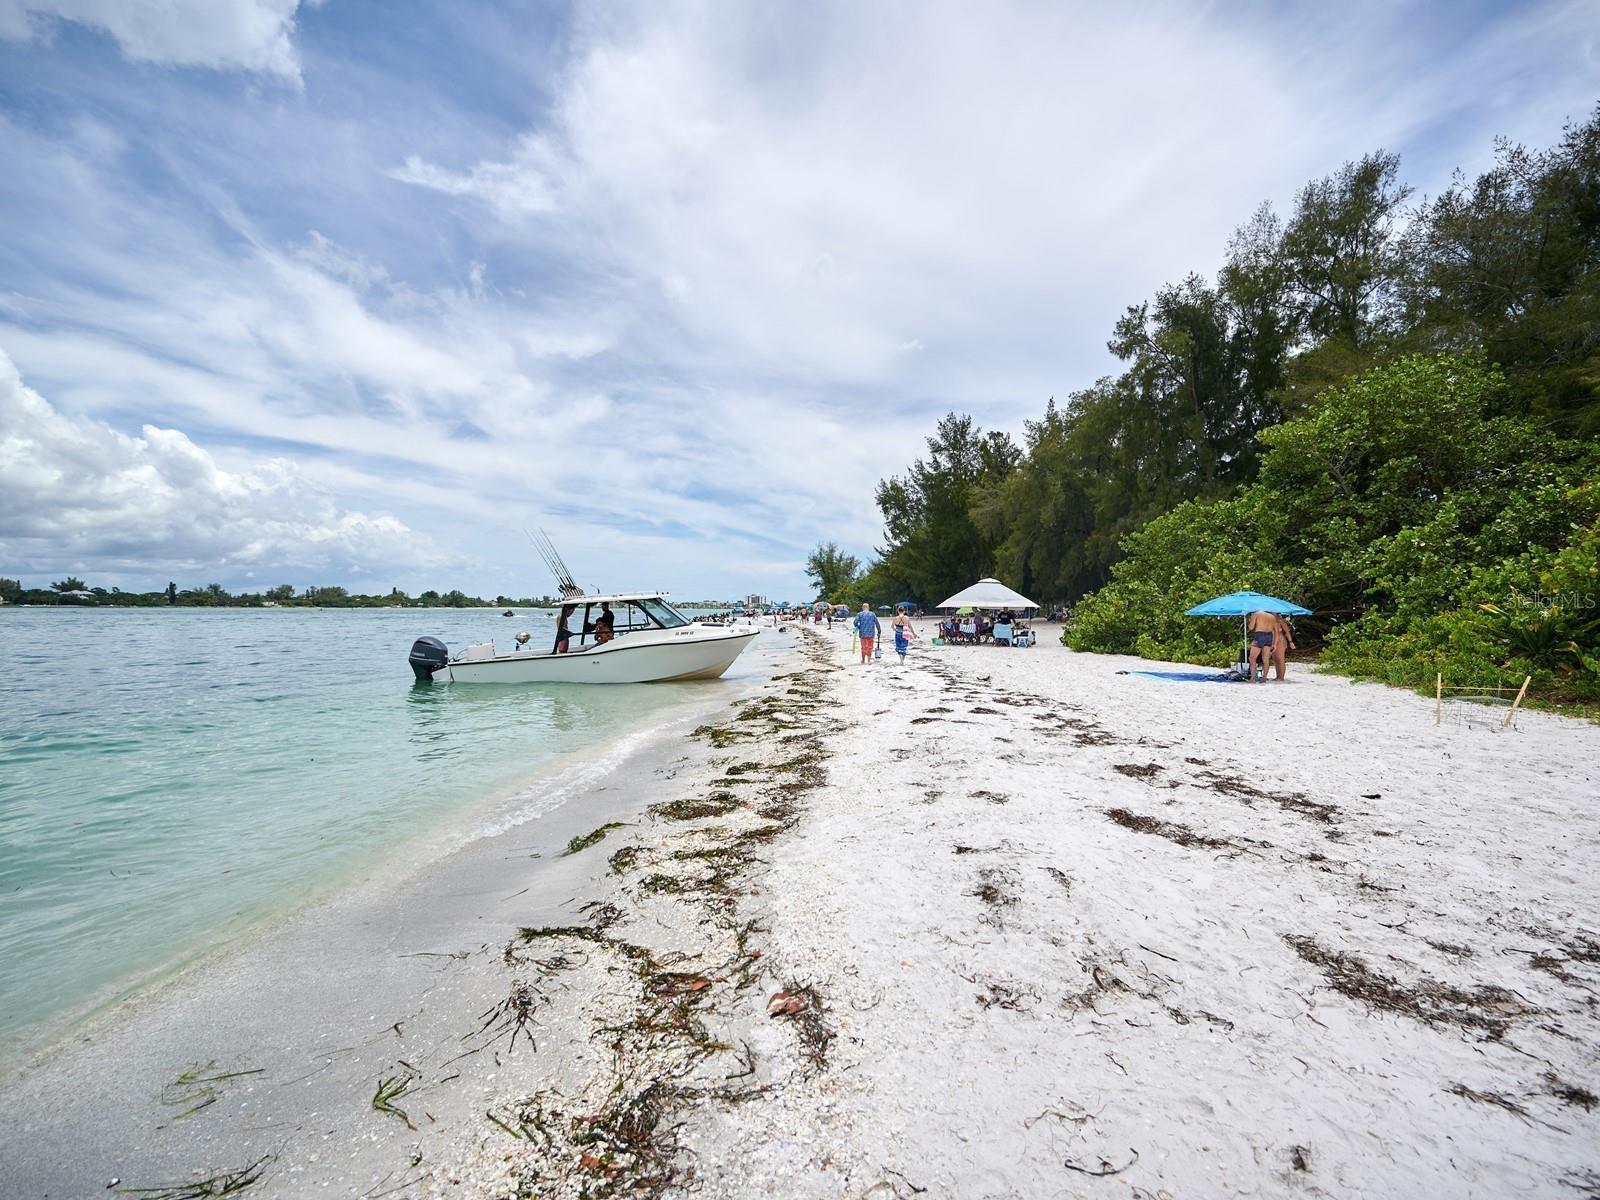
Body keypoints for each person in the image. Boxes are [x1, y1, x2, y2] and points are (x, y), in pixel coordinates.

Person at [1245, 610, 1275, 681]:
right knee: (1265, 659)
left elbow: (1251, 627)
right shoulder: (1272, 616)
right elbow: (1273, 629)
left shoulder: (1256, 614)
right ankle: (1264, 678)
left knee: (1252, 658)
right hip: (1269, 635)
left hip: (1260, 634)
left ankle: (1252, 679)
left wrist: (1250, 621)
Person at [1271, 612, 1297, 681]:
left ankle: (1281, 677)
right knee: (1275, 659)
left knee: (1280, 659)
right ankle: (1278, 676)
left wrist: (1290, 642)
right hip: (1272, 641)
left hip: (1280, 640)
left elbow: (1287, 632)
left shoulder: (1280, 620)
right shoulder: (1269, 619)